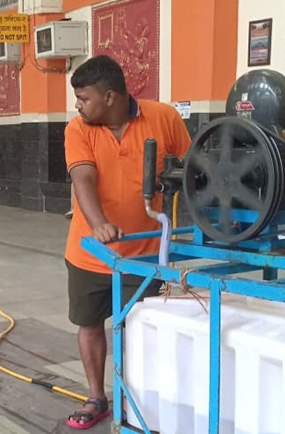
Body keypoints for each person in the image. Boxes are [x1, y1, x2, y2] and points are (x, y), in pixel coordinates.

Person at [62, 55, 191, 430]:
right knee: (89, 325)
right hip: (89, 252)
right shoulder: (78, 129)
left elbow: (191, 170)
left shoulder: (164, 118)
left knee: (141, 328)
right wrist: (99, 224)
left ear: (110, 96)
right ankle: (96, 397)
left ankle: (138, 400)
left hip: (146, 253)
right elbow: (82, 178)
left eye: (84, 98)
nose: (78, 106)